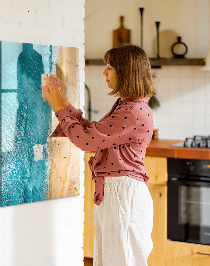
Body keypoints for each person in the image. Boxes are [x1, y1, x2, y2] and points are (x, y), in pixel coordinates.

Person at [43, 44, 155, 266]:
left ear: (126, 72)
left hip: (123, 196)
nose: (104, 72)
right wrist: (64, 103)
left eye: (110, 67)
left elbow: (86, 141)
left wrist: (58, 108)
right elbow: (93, 133)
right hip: (117, 194)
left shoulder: (132, 111)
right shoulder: (128, 106)